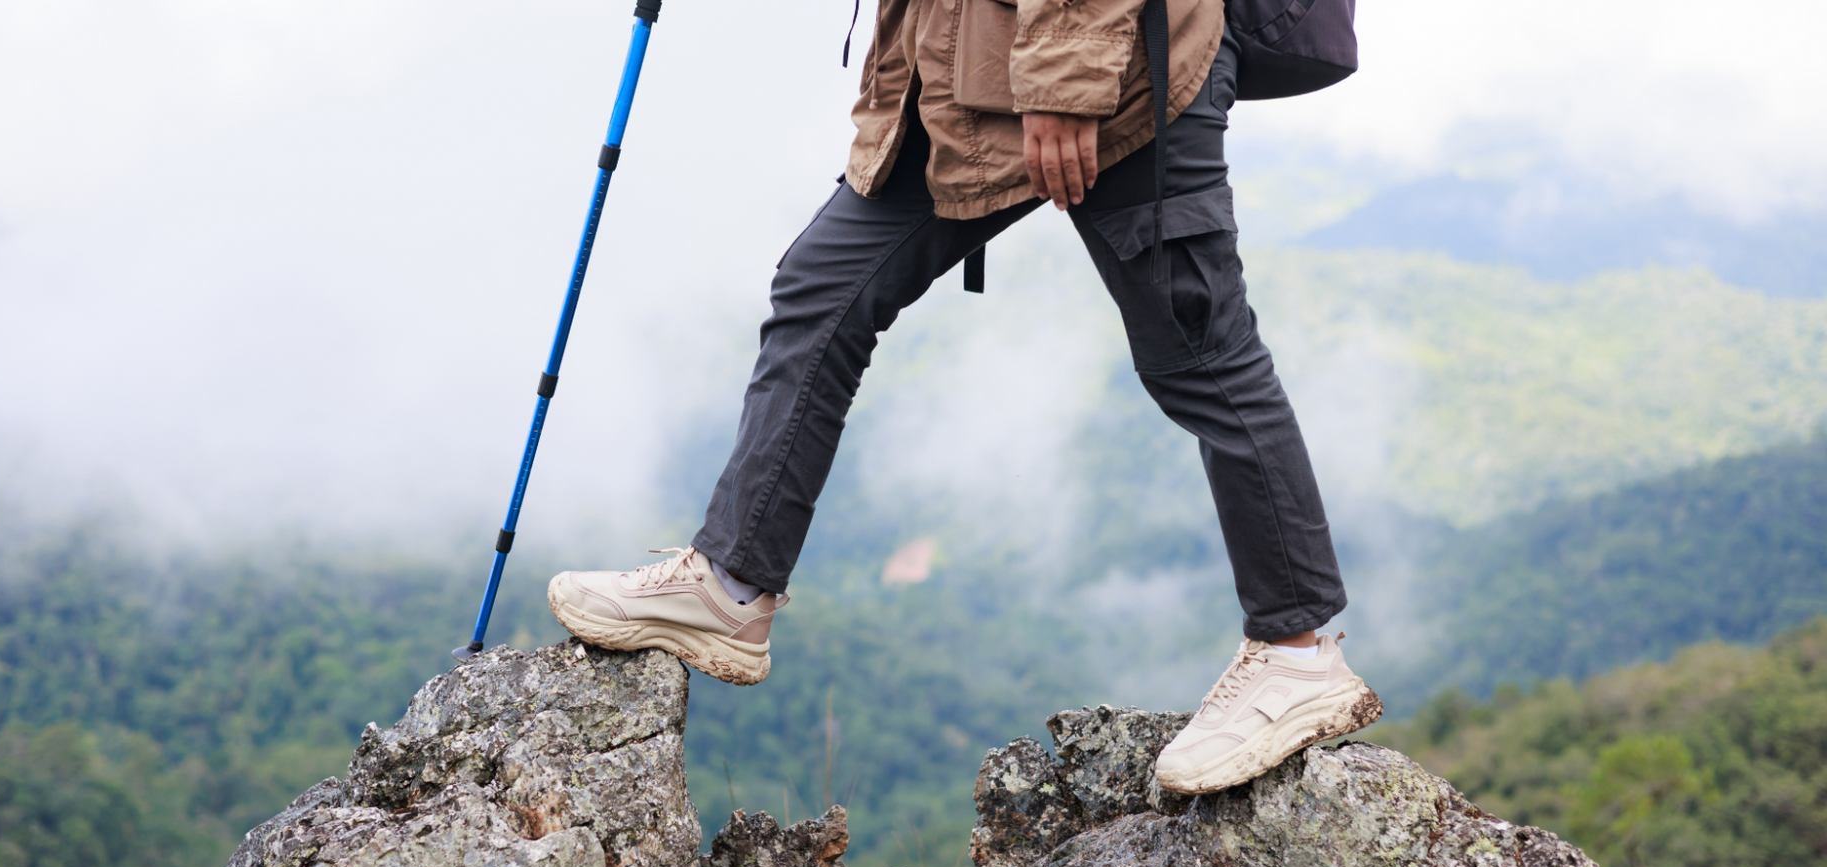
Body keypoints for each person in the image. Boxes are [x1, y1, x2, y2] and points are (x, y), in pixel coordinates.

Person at [548, 0, 1381, 794]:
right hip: (958, 75)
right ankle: (728, 588)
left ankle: (1297, 655)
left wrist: (1065, 80)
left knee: (1199, 351)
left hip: (1116, 69)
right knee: (822, 292)